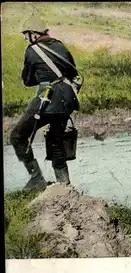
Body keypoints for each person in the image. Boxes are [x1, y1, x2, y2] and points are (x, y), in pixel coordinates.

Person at [10, 14, 81, 189]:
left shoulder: (32, 51)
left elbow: (27, 81)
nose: (25, 38)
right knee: (56, 138)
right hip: (68, 101)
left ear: (34, 34)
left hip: (47, 99)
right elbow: (72, 71)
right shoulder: (60, 45)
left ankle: (36, 178)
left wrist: (42, 78)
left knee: (17, 136)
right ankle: (64, 184)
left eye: (26, 34)